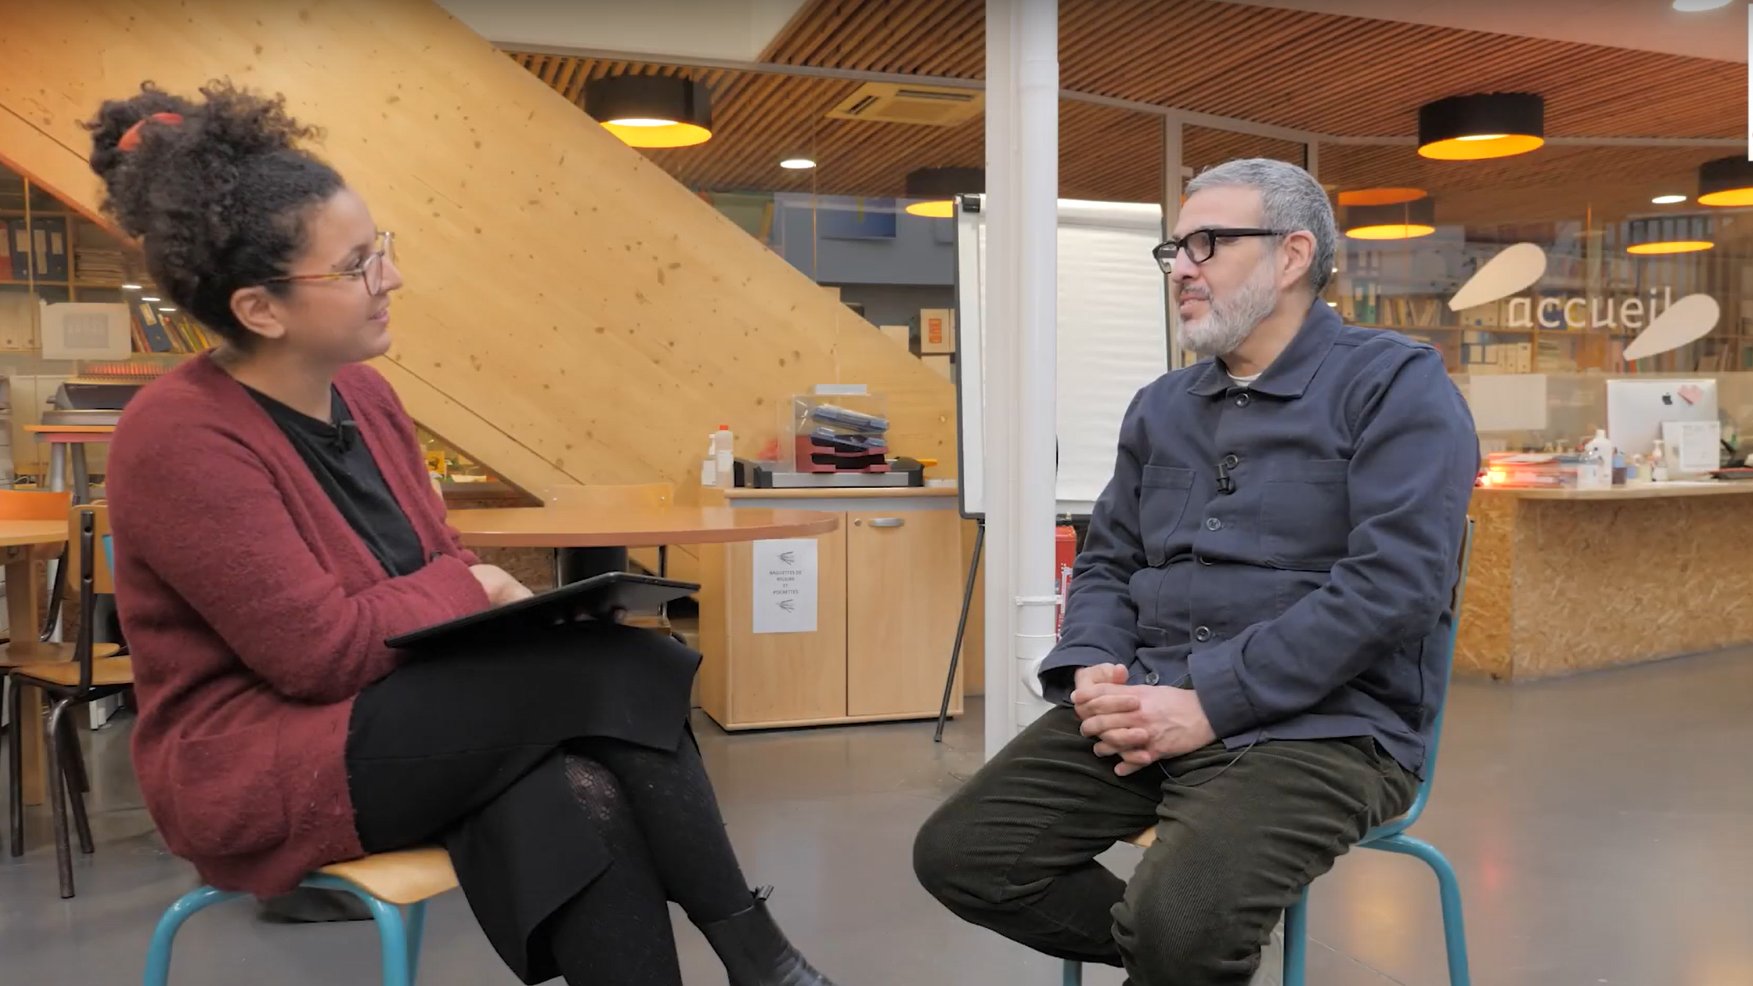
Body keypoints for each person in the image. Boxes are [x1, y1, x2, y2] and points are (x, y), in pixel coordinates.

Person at [96, 80, 836, 986]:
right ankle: (763, 958)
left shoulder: (365, 395)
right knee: (618, 667)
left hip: (398, 708)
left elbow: (427, 564)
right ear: (260, 309)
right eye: (359, 263)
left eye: (382, 249)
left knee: (570, 785)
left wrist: (463, 592)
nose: (391, 278)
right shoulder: (176, 435)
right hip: (261, 760)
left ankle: (762, 963)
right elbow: (320, 654)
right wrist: (478, 590)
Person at [912, 157, 1479, 985]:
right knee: (962, 854)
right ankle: (1184, 955)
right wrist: (1092, 669)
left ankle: (1183, 947)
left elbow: (1393, 586)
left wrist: (1211, 700)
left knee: (1179, 922)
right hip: (1150, 699)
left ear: (1290, 257)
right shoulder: (1161, 406)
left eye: (1207, 243)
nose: (1180, 266)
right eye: (1175, 248)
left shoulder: (1395, 386)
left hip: (1328, 728)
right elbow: (1108, 558)